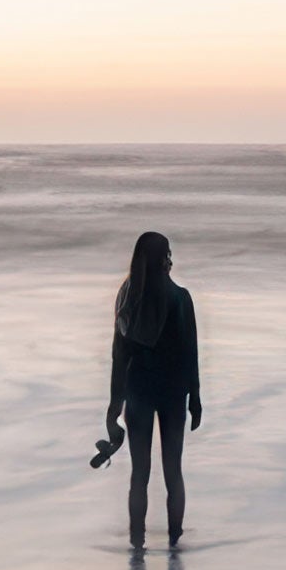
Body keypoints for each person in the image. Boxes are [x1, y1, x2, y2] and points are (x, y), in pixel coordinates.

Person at [101, 230, 202, 549]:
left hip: (138, 392)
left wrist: (114, 407)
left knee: (139, 474)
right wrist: (195, 398)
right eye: (168, 254)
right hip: (173, 394)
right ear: (162, 261)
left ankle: (136, 543)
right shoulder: (180, 298)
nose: (172, 260)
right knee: (174, 471)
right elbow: (190, 352)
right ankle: (175, 542)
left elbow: (119, 355)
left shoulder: (127, 300)